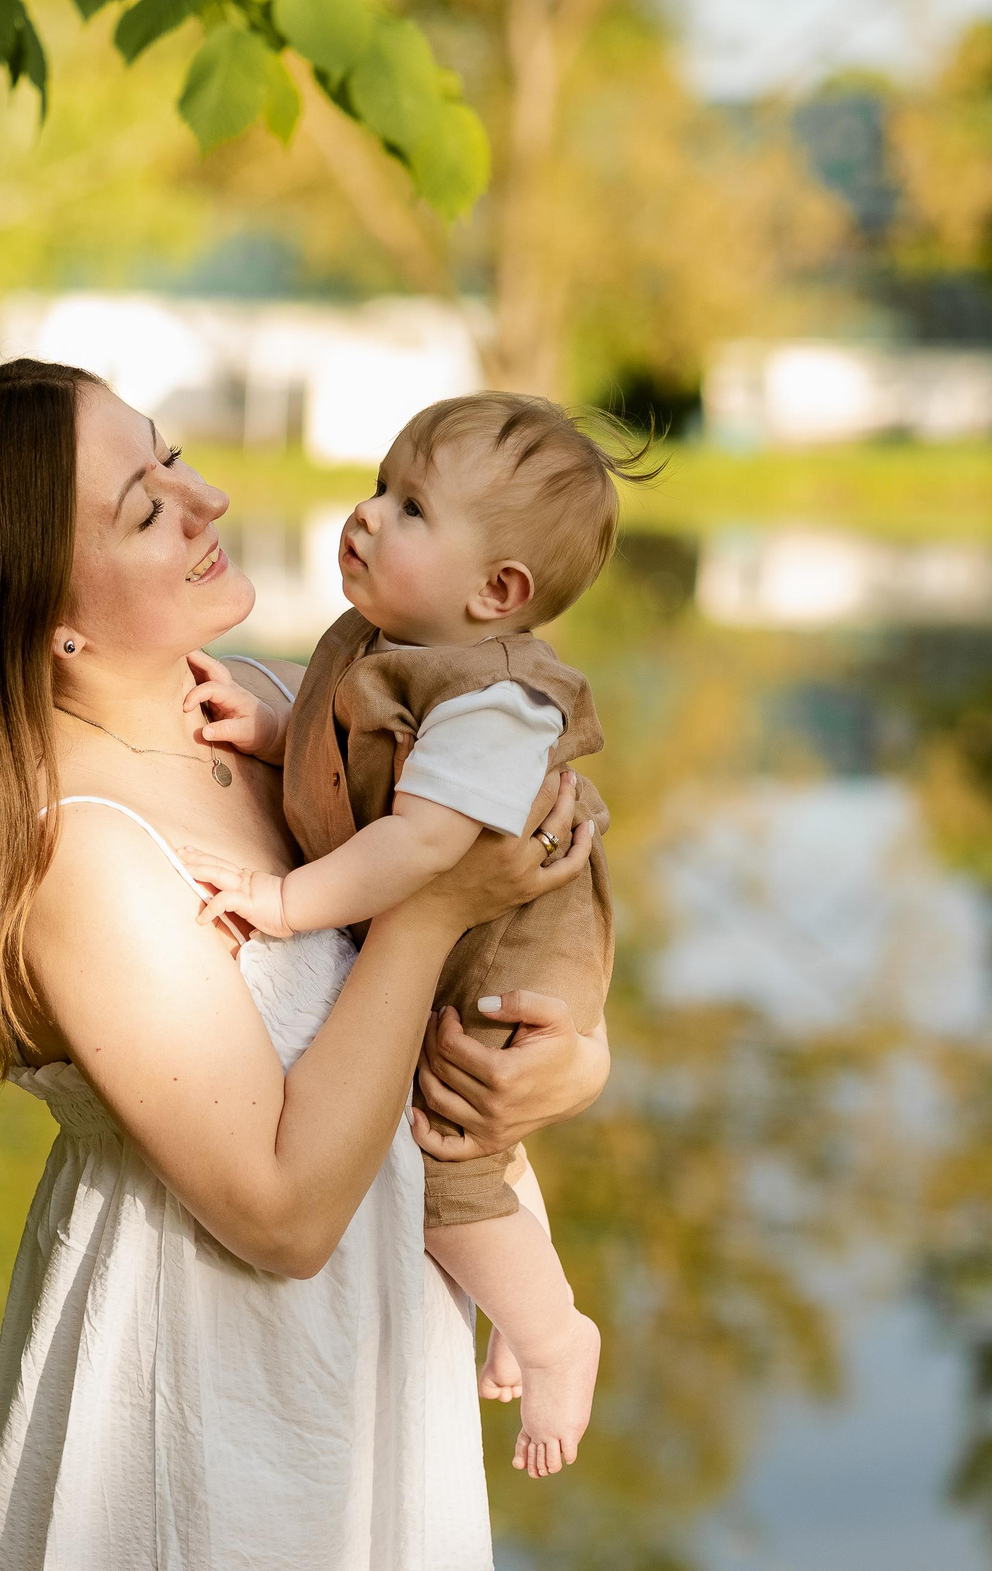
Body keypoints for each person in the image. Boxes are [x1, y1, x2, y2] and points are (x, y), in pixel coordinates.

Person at [0, 359, 614, 1571]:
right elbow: (283, 1212)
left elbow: (449, 994)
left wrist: (563, 1063)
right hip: (209, 1382)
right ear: (49, 623)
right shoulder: (81, 851)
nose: (209, 501)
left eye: (173, 457)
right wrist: (433, 906)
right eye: (146, 507)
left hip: (369, 1351)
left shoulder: (255, 711)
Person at [180, 393, 645, 1481]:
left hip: (511, 945)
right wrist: (275, 730)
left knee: (439, 1150)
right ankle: (516, 1290)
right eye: (380, 487)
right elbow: (365, 755)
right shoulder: (392, 644)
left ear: (499, 593)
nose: (368, 514)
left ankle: (551, 1332)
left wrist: (284, 905)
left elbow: (421, 844)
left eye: (411, 509)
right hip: (462, 925)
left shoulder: (493, 699)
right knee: (465, 1135)